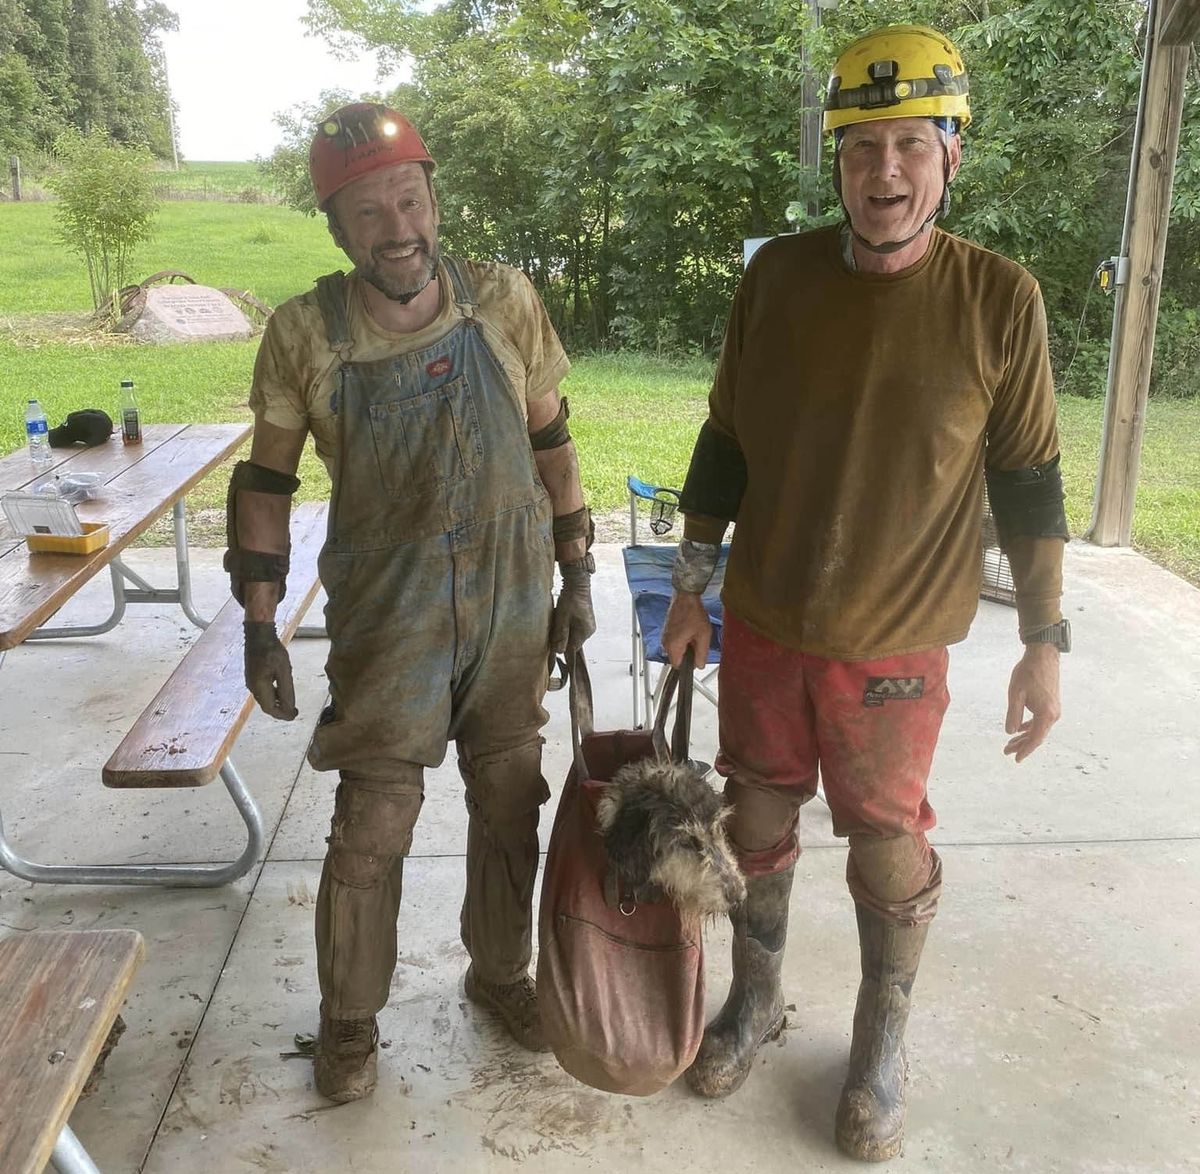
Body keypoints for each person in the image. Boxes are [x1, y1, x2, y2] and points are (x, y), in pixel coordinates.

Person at [662, 25, 1069, 1162]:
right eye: (860, 148)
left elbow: (1030, 483)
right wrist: (691, 586)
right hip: (767, 621)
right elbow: (724, 443)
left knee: (887, 843)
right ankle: (756, 1000)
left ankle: (880, 1039)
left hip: (895, 645)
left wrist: (1044, 639)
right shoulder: (777, 279)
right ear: (835, 162)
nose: (884, 171)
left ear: (950, 156)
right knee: (753, 820)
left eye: (909, 146)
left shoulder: (999, 297)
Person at [224, 103, 596, 1103]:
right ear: (336, 228)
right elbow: (265, 486)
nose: (397, 229)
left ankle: (500, 972)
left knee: (511, 799)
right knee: (374, 821)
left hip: (512, 604)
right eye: (367, 211)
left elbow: (553, 440)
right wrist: (260, 624)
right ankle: (349, 1017)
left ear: (434, 197)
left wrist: (577, 574)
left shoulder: (504, 300)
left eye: (409, 200)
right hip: (391, 621)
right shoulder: (306, 334)